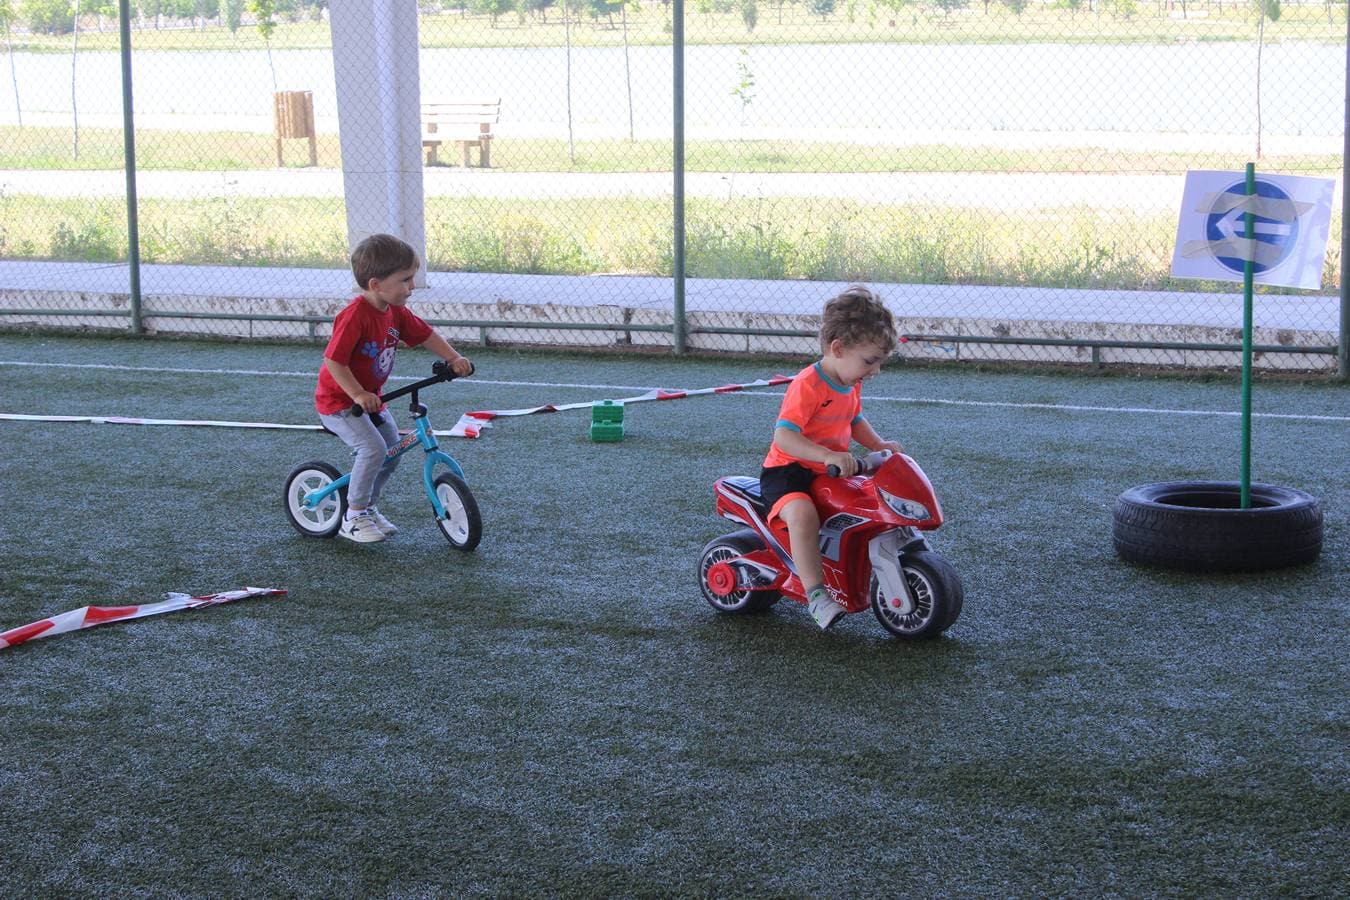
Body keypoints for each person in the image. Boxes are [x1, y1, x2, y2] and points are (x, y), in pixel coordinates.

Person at [759, 285, 903, 630]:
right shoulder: (809, 385)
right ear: (837, 349)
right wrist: (826, 454)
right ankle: (816, 595)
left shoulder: (851, 382)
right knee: (805, 515)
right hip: (788, 472)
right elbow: (785, 436)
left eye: (880, 362)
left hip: (828, 469)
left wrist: (877, 444)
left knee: (860, 503)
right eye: (870, 361)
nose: (875, 371)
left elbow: (853, 419)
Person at [314, 233, 473, 543]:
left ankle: (368, 507)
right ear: (376, 284)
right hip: (340, 403)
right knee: (372, 449)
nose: (411, 287)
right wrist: (358, 393)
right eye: (405, 280)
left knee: (390, 454)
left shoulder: (395, 311)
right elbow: (334, 361)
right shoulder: (354, 316)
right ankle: (354, 514)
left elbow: (425, 334)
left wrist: (453, 358)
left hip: (374, 401)